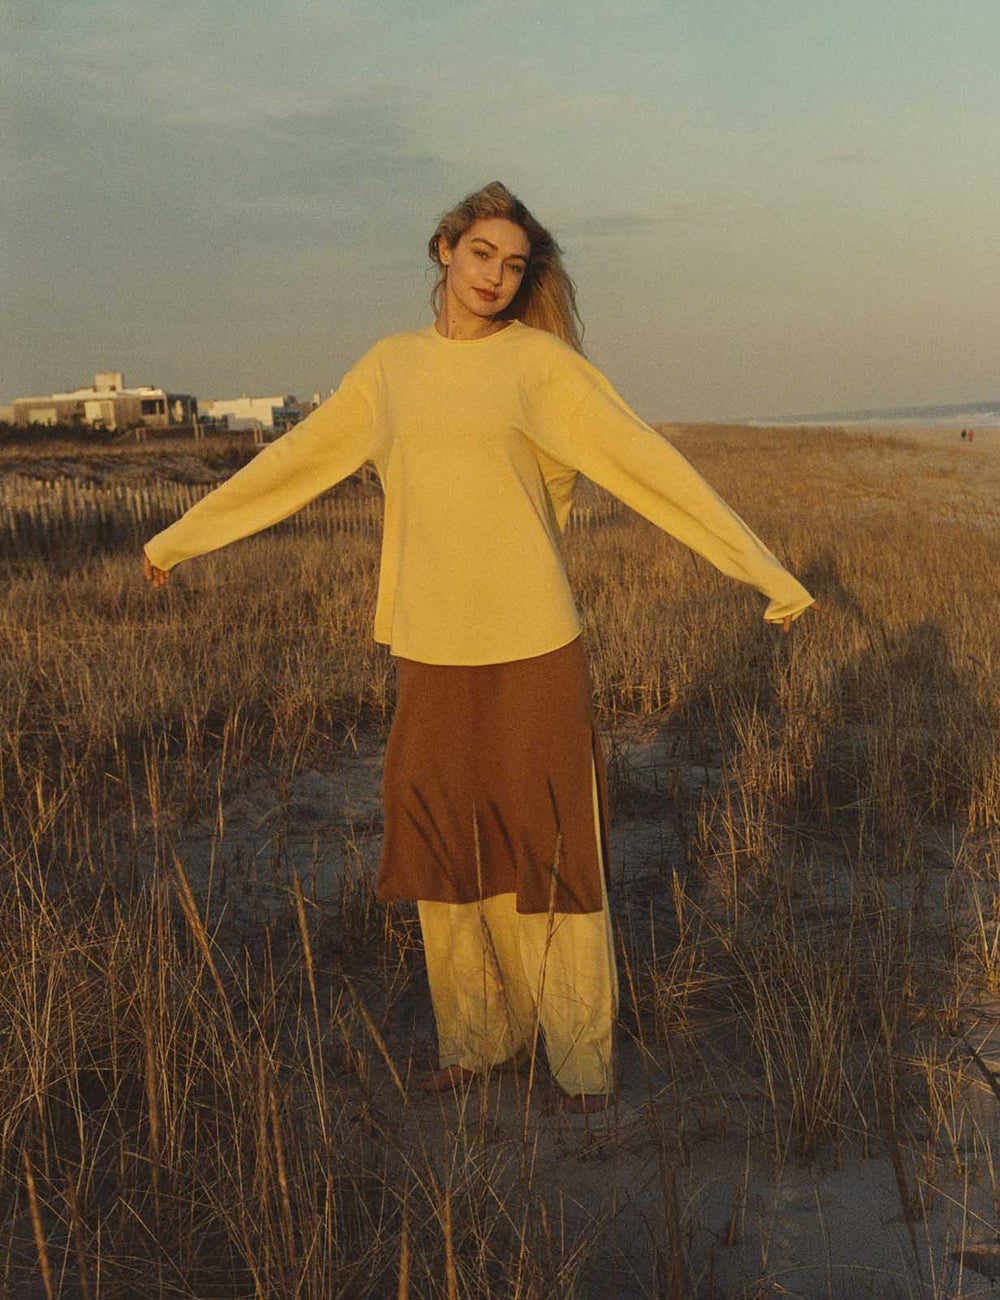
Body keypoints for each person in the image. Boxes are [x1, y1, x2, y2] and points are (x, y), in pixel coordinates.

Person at [144, 180, 815, 1115]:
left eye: (514, 264)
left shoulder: (541, 365)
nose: (496, 276)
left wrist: (765, 572)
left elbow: (647, 464)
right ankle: (477, 1039)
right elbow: (293, 463)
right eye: (481, 254)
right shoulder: (390, 368)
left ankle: (579, 1060)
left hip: (535, 641)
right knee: (446, 852)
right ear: (445, 250)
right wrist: (178, 541)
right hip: (431, 644)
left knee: (553, 849)